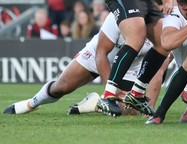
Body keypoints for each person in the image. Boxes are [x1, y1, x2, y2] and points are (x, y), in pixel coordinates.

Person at [3, 12, 169, 116]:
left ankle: (93, 103)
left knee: (130, 111)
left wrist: (151, 110)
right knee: (61, 87)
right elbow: (101, 53)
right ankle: (32, 103)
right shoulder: (118, 16)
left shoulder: (162, 30)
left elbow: (158, 71)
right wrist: (111, 93)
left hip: (130, 66)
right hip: (98, 56)